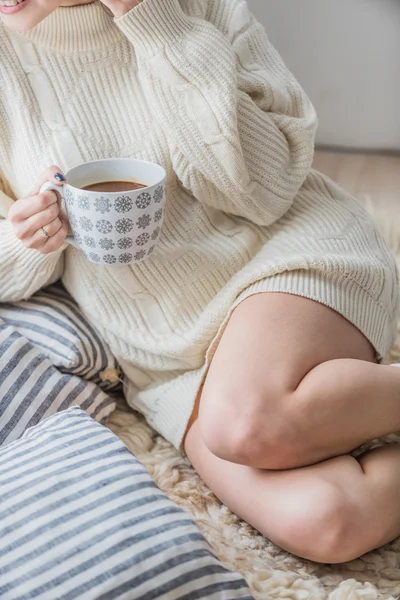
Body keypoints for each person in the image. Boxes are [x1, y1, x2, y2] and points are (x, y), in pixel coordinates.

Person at [1, 0, 399, 565]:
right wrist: (25, 238)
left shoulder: (200, 8)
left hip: (279, 260)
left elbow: (262, 191)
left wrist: (148, 19)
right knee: (332, 521)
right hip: (164, 352)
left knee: (248, 423)